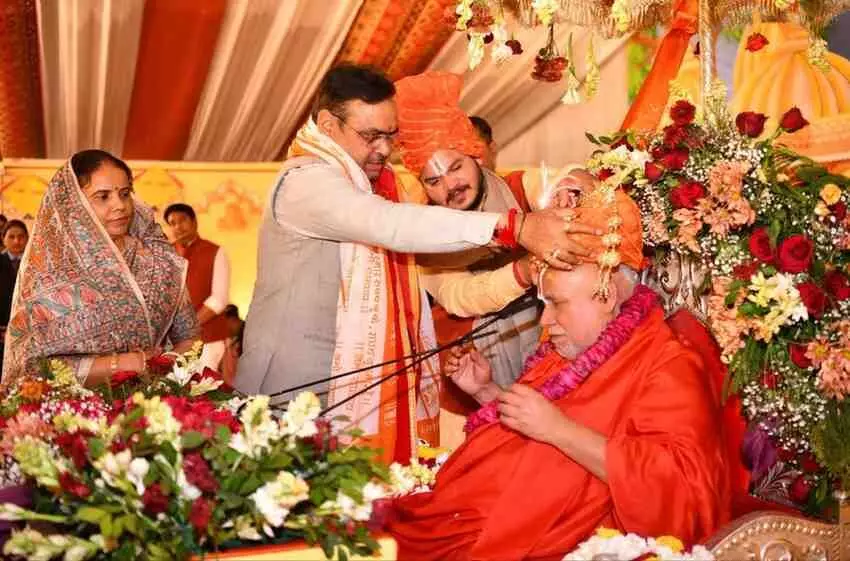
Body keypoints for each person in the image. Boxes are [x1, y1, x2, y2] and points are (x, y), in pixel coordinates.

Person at [236, 64, 597, 465]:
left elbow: (558, 180)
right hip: (297, 384)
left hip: (349, 386)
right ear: (328, 125)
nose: (383, 149)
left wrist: (571, 186)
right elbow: (387, 224)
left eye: (390, 136)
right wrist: (515, 228)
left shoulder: (378, 185)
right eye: (371, 136)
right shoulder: (307, 181)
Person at [386, 187, 731, 560]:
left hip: (558, 538)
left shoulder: (669, 365)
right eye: (543, 303)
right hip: (479, 513)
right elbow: (535, 431)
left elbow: (680, 492)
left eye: (557, 303)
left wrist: (559, 430)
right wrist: (487, 392)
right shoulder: (572, 348)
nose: (545, 320)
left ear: (606, 297)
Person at [1, 150, 199, 388]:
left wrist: (159, 373)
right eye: (103, 196)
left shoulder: (158, 261)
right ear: (74, 204)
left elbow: (190, 339)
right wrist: (122, 365)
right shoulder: (49, 274)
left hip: (154, 401)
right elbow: (28, 366)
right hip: (70, 406)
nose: (120, 205)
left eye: (124, 193)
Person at [165, 203, 231, 371]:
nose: (178, 227)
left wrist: (189, 325)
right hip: (172, 343)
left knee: (203, 384)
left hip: (207, 339)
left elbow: (219, 300)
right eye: (172, 223)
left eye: (182, 220)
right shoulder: (166, 254)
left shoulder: (215, 251)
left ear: (194, 222)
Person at [0, 220, 29, 375]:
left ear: (28, 238)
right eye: (11, 237)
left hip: (27, 332)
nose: (17, 241)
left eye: (21, 236)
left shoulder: (34, 263)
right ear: (3, 238)